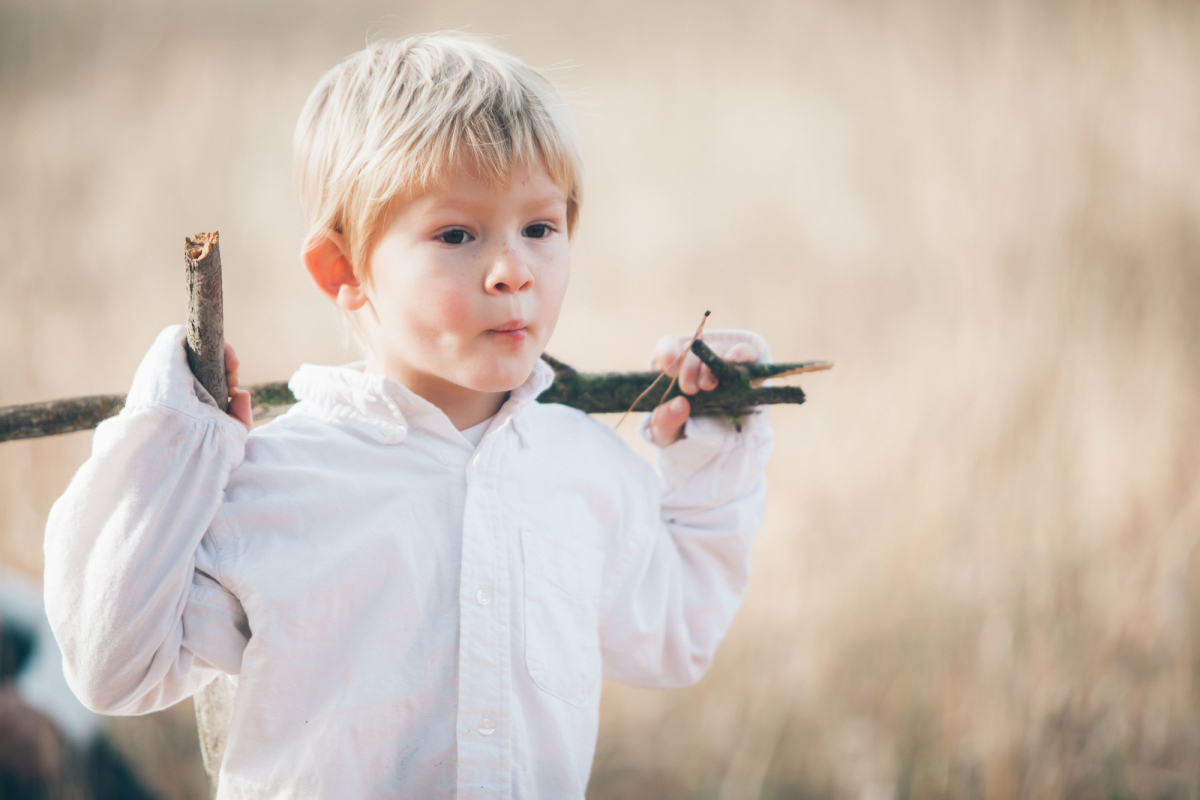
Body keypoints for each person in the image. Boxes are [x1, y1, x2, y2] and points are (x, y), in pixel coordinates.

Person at [43, 32, 774, 798]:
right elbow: (112, 669)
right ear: (346, 271)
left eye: (540, 227)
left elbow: (675, 639)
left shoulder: (584, 468)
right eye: (457, 234)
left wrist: (714, 444)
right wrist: (168, 442)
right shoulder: (270, 484)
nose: (512, 270)